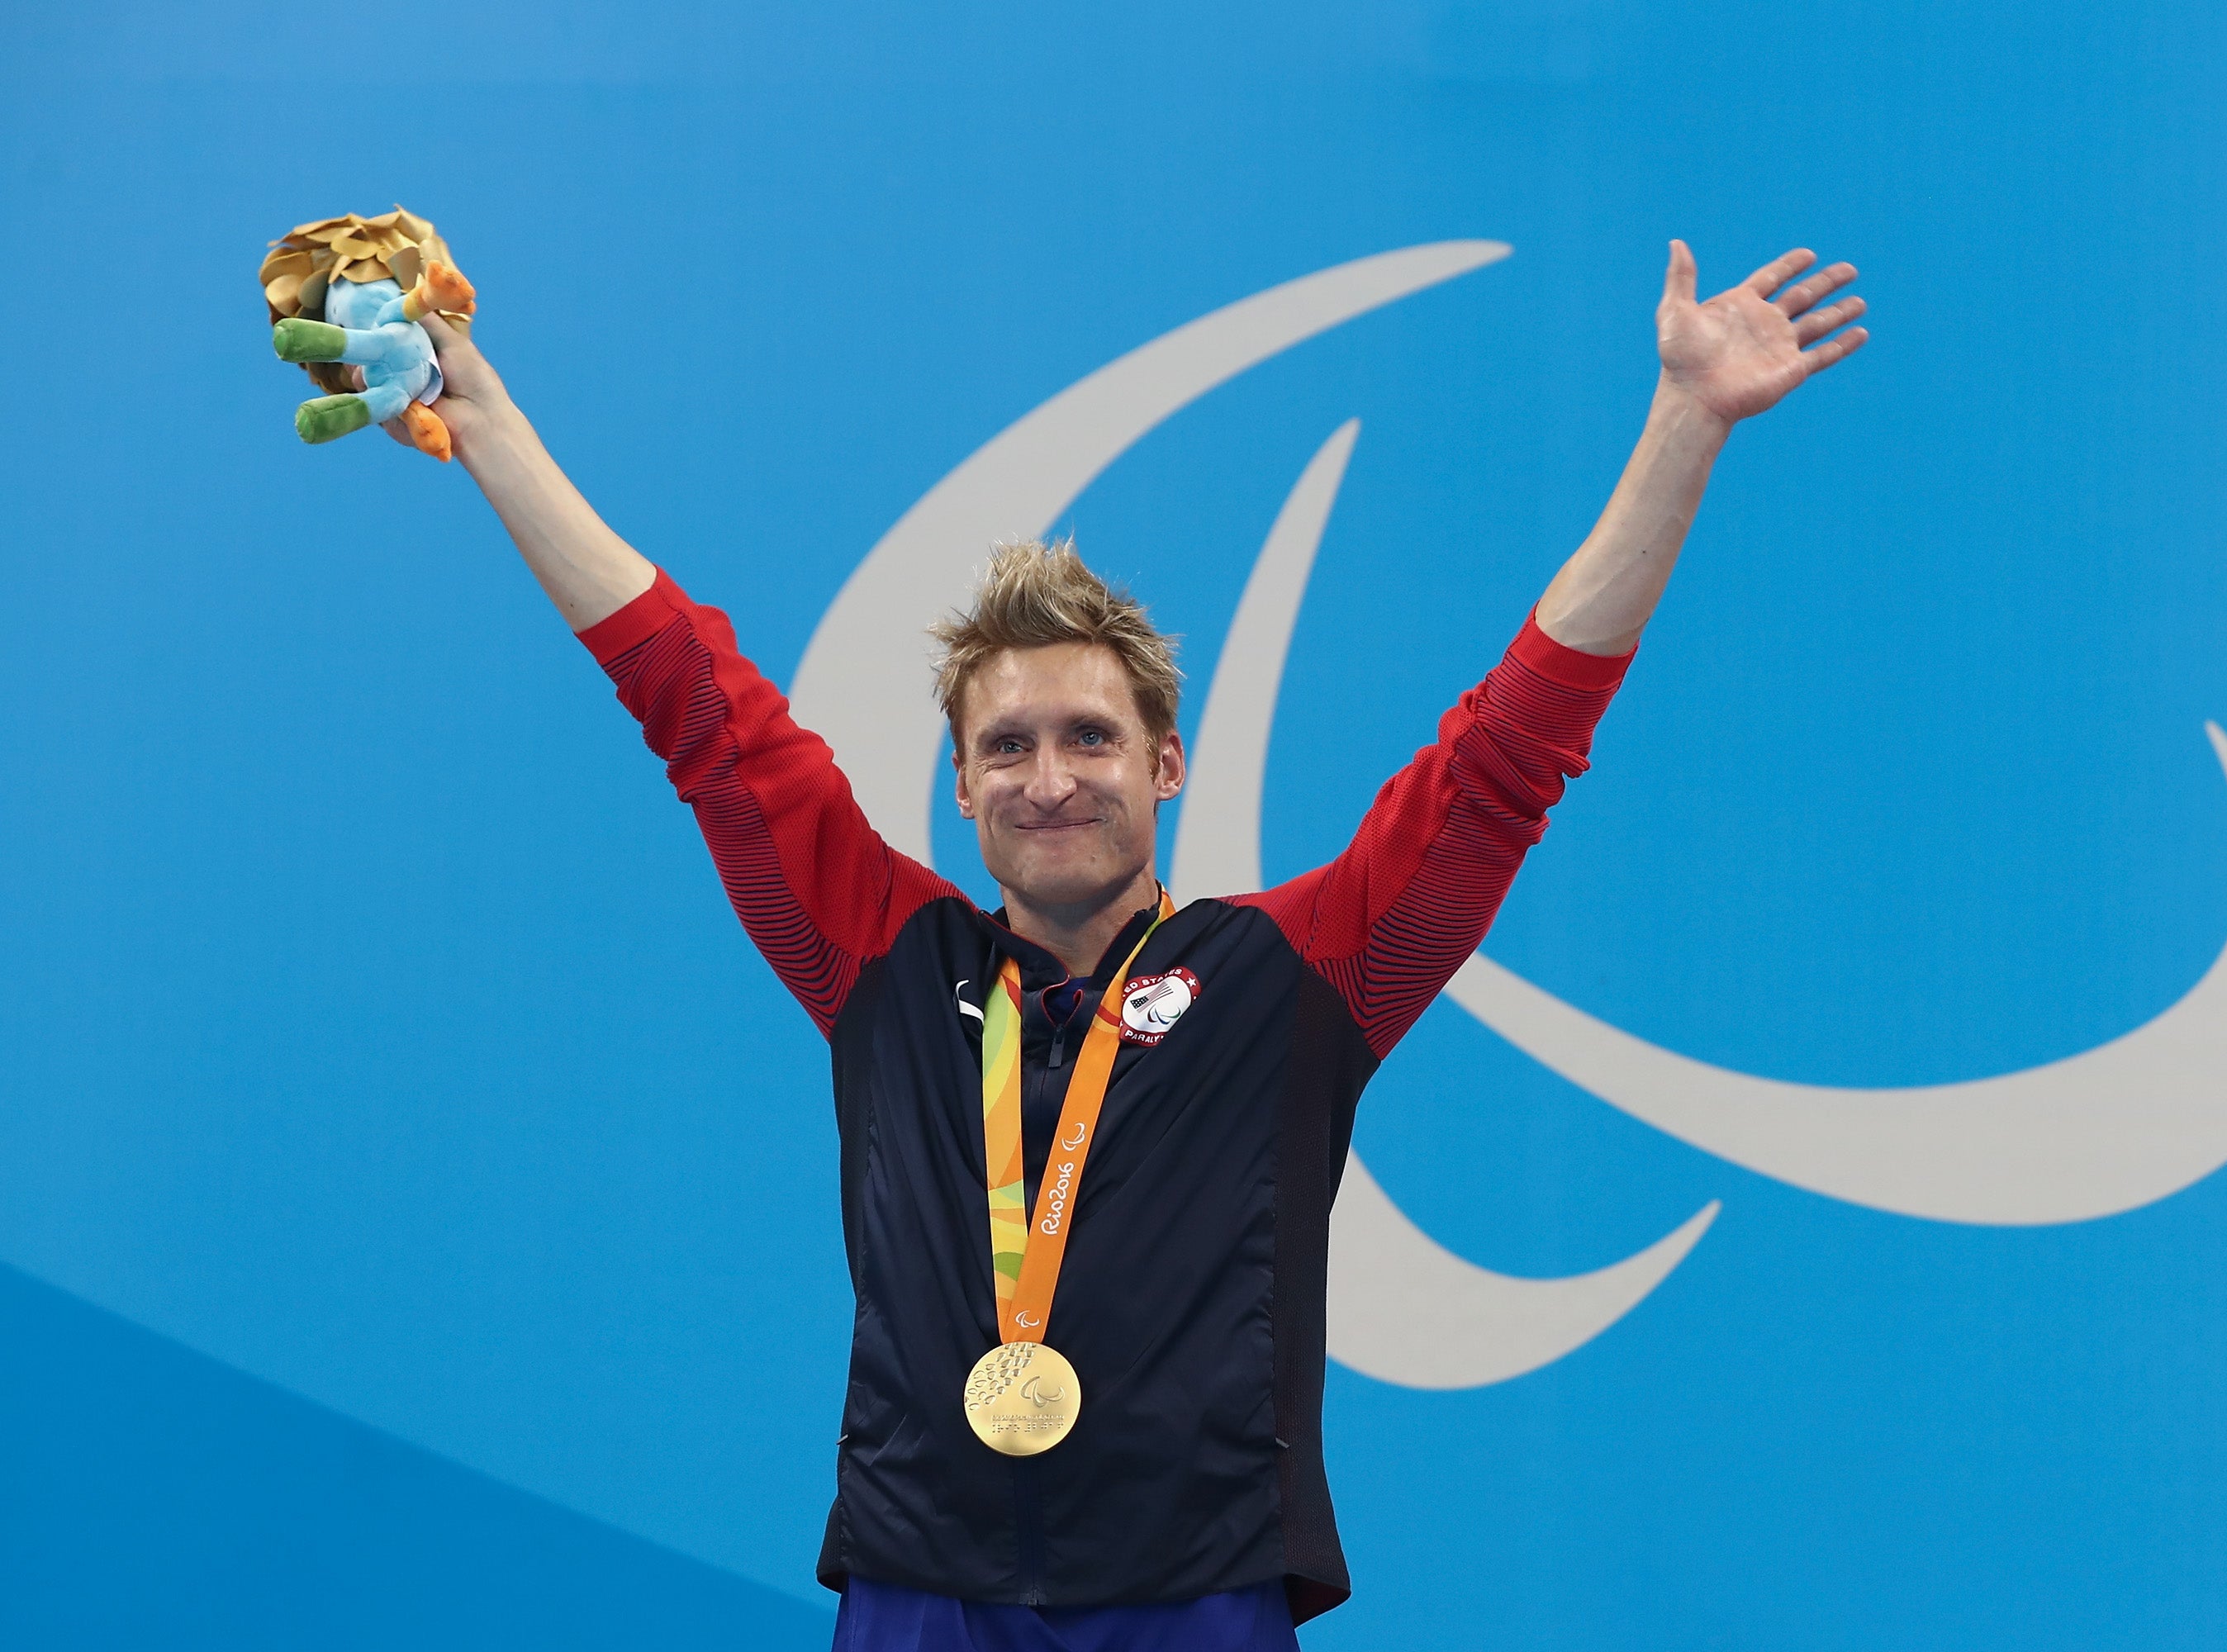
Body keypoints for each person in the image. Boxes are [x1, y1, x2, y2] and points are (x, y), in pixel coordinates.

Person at [400, 240, 1865, 1650]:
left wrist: (1684, 424)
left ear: (1168, 765)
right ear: (960, 785)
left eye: (1093, 737)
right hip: (923, 1592)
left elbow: (1508, 758)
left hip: (1201, 1596)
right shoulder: (883, 963)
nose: (1052, 778)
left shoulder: (1298, 980)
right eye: (1010, 746)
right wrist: (495, 429)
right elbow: (700, 711)